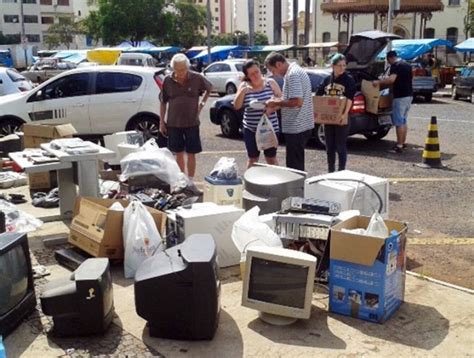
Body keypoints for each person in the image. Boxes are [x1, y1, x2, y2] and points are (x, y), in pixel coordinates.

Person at [160, 53, 213, 183]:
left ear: (187, 67)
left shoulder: (196, 78)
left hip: (192, 122)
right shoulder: (167, 80)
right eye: (177, 70)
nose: (180, 72)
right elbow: (163, 102)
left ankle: (191, 180)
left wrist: (202, 104)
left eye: (183, 69)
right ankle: (181, 179)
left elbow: (209, 88)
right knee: (178, 153)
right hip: (174, 122)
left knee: (191, 153)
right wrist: (161, 121)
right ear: (173, 69)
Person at [264, 52, 314, 171]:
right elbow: (293, 99)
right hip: (300, 126)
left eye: (272, 70)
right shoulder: (294, 71)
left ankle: (296, 189)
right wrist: (278, 101)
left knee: (294, 167)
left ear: (278, 64)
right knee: (296, 163)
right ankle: (298, 187)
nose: (273, 74)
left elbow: (297, 101)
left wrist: (276, 103)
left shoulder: (292, 74)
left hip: (297, 127)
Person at [233, 59, 282, 168]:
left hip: (270, 128)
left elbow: (281, 101)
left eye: (257, 72)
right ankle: (250, 183)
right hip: (251, 129)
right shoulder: (244, 86)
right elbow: (236, 106)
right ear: (247, 76)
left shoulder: (270, 83)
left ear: (260, 70)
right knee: (253, 159)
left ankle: (276, 182)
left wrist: (272, 108)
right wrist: (241, 92)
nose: (255, 76)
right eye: (251, 74)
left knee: (271, 158)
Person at [316, 53, 356, 172]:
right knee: (329, 147)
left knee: (341, 146)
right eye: (340, 65)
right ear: (333, 66)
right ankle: (330, 170)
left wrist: (344, 115)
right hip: (329, 118)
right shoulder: (328, 79)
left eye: (344, 65)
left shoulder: (348, 80)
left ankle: (341, 171)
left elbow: (349, 99)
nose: (342, 68)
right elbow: (319, 95)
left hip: (342, 117)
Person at [373, 50, 413, 153]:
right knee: (403, 120)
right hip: (409, 95)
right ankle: (403, 143)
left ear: (390, 58)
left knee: (399, 121)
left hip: (400, 96)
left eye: (388, 61)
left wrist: (378, 82)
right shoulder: (407, 65)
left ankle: (398, 146)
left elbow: (391, 80)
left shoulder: (395, 65)